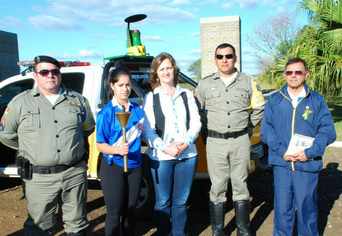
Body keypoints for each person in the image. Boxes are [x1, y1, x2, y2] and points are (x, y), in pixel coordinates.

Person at [0, 55, 95, 236]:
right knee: (39, 227)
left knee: (78, 224)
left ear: (60, 74)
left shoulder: (78, 100)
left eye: (54, 71)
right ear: (35, 76)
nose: (50, 75)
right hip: (39, 177)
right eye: (44, 71)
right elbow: (6, 135)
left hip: (73, 174)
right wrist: (33, 148)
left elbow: (87, 128)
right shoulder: (20, 102)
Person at [195, 43, 265, 236]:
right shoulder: (205, 83)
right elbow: (196, 110)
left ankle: (243, 230)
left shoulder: (249, 82)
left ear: (235, 58)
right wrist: (205, 130)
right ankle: (218, 231)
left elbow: (259, 107)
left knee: (240, 185)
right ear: (215, 59)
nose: (224, 60)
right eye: (220, 56)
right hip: (215, 142)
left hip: (240, 140)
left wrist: (249, 127)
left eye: (228, 56)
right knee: (217, 186)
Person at [260, 58, 336, 236]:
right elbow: (267, 131)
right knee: (282, 209)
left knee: (306, 208)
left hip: (306, 164)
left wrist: (309, 153)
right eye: (289, 72)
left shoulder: (316, 100)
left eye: (298, 72)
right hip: (282, 163)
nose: (293, 76)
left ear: (306, 74)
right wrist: (282, 151)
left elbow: (327, 132)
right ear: (285, 75)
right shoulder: (275, 100)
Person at [142, 53, 201, 236]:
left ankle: (178, 233)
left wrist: (186, 143)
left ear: (174, 69)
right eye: (162, 69)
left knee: (181, 201)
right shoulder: (151, 97)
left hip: (187, 155)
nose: (166, 72)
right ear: (156, 73)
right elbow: (147, 129)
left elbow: (196, 122)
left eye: (169, 67)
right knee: (162, 202)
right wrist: (165, 147)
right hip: (161, 157)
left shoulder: (187, 95)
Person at [96, 67, 144, 236]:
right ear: (112, 86)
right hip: (113, 166)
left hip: (135, 165)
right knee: (115, 213)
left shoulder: (137, 109)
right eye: (121, 85)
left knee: (131, 212)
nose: (125, 89)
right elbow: (100, 145)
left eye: (128, 85)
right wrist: (117, 149)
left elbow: (144, 132)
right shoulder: (106, 112)